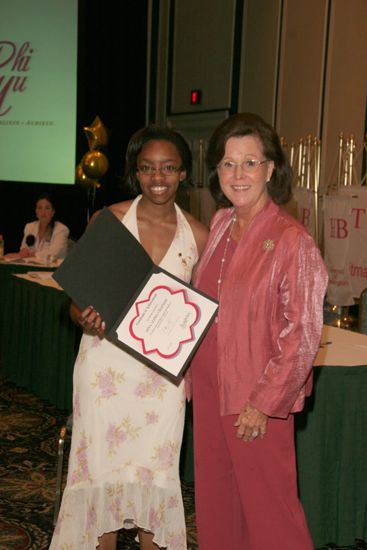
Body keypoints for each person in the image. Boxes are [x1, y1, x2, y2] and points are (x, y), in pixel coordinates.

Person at [49, 125, 208, 550]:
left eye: (169, 168)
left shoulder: (199, 235)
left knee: (156, 480)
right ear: (135, 173)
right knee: (102, 479)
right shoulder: (109, 220)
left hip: (161, 383)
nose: (158, 177)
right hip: (105, 371)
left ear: (183, 173)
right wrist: (84, 316)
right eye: (148, 168)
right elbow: (73, 303)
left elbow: (208, 314)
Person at [190, 112, 328, 550]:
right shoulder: (220, 225)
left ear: (270, 169)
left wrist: (264, 404)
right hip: (211, 391)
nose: (238, 174)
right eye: (228, 164)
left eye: (250, 162)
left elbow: (303, 335)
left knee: (271, 517)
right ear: (217, 172)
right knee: (218, 507)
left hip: (255, 398)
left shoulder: (292, 240)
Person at [5, 193, 69, 261]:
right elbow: (24, 248)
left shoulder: (61, 229)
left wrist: (32, 254)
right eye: (40, 208)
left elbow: (53, 253)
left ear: (53, 212)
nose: (43, 212)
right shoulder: (30, 227)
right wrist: (22, 253)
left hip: (56, 269)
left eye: (47, 208)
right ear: (36, 212)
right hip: (31, 268)